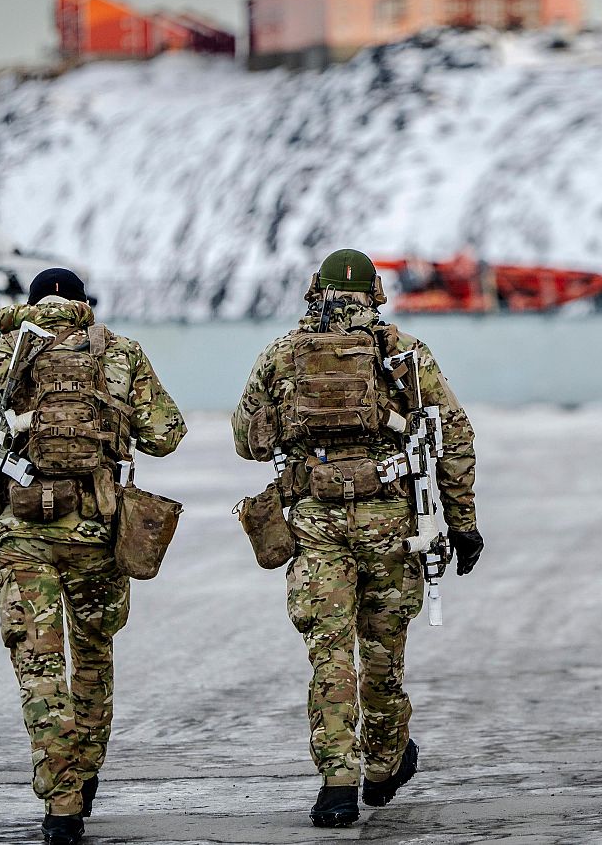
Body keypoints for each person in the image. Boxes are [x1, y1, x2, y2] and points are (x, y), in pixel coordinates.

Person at [0, 268, 187, 845]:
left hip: (20, 536)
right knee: (92, 651)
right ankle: (86, 773)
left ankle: (61, 803)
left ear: (32, 303)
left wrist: (5, 425)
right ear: (83, 305)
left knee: (39, 666)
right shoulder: (119, 353)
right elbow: (168, 432)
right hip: (96, 529)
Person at [231, 248, 484, 828]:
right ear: (375, 293)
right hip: (388, 524)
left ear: (314, 291)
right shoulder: (404, 356)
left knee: (329, 654)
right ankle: (384, 763)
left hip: (315, 526)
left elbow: (247, 440)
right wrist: (461, 522)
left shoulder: (281, 355)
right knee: (382, 652)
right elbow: (452, 437)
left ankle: (337, 783)